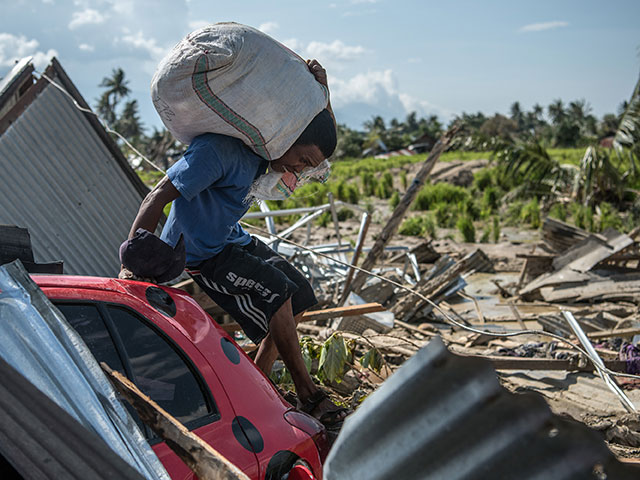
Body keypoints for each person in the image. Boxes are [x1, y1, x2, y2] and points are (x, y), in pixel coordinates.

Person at [120, 59, 347, 429]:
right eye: (302, 160)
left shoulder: (264, 160)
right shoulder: (218, 153)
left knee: (301, 295)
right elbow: (157, 196)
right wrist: (134, 260)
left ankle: (257, 384)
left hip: (232, 240)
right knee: (277, 293)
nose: (301, 171)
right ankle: (309, 395)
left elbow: (317, 140)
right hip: (203, 254)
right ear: (285, 138)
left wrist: (323, 96)